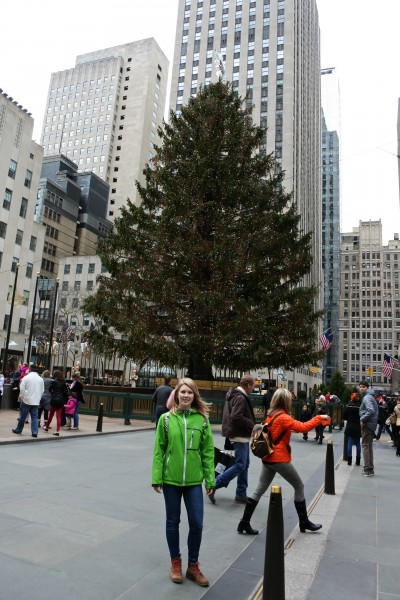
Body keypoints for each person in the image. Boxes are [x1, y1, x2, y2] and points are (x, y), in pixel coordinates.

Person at [237, 388, 331, 535]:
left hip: (267, 458)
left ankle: (244, 522)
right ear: (286, 401)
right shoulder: (283, 417)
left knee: (259, 490)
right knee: (299, 486)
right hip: (279, 459)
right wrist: (319, 418)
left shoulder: (271, 416)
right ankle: (304, 522)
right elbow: (303, 427)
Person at [152, 378, 215, 587]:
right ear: (176, 395)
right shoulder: (166, 420)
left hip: (194, 481)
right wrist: (156, 477)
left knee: (197, 523)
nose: (186, 395)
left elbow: (207, 452)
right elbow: (159, 450)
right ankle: (176, 562)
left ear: (194, 396)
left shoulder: (202, 420)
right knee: (173, 522)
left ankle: (193, 565)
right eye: (183, 392)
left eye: (190, 392)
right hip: (171, 479)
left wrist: (210, 479)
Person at [209, 375, 256, 504]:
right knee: (240, 464)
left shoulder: (234, 395)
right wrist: (252, 424)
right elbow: (236, 416)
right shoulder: (240, 397)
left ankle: (241, 493)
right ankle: (214, 485)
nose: (253, 388)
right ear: (248, 385)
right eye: (253, 385)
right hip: (239, 435)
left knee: (244, 465)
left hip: (236, 434)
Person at [11, 365, 44, 438]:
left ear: (30, 369)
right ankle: (35, 432)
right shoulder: (40, 379)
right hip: (36, 401)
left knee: (23, 416)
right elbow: (42, 391)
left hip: (26, 400)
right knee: (34, 417)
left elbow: (22, 389)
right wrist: (38, 398)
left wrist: (22, 397)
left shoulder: (26, 378)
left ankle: (18, 430)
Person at [358, 380, 379, 476]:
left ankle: (367, 469)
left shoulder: (367, 397)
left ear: (367, 388)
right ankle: (370, 469)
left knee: (365, 446)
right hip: (372, 424)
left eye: (363, 387)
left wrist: (362, 419)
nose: (361, 388)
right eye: (360, 387)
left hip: (367, 424)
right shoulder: (371, 396)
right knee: (369, 447)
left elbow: (370, 410)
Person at [44, 370, 70, 436]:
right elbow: (65, 393)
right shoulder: (64, 383)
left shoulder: (54, 382)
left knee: (50, 415)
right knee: (58, 416)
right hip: (61, 401)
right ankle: (57, 431)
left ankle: (47, 427)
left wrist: (53, 393)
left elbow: (50, 389)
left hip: (54, 400)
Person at [343, 392, 361, 466]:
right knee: (357, 443)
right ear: (357, 398)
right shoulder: (360, 407)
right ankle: (358, 461)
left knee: (349, 443)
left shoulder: (348, 406)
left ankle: (349, 461)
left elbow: (344, 416)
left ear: (351, 398)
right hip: (357, 426)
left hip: (350, 426)